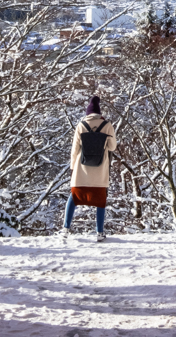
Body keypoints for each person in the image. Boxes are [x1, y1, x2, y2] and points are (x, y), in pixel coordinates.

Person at [63, 95, 117, 242]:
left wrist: (73, 168)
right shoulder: (107, 125)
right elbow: (112, 147)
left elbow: (74, 150)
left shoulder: (81, 125)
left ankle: (66, 229)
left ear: (88, 112)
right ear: (99, 113)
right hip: (100, 171)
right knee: (100, 200)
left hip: (82, 170)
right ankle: (99, 232)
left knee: (74, 197)